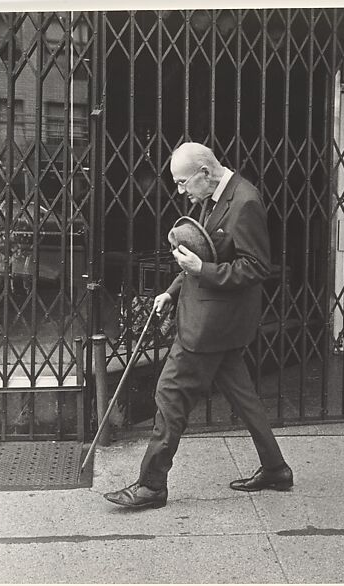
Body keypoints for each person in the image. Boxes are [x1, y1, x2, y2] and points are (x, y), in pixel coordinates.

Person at [104, 142, 293, 509]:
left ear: (205, 173)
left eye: (182, 182)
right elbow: (207, 253)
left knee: (170, 393)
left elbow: (255, 267)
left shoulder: (245, 202)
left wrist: (200, 271)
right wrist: (173, 291)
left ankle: (151, 485)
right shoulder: (216, 195)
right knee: (243, 396)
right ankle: (276, 468)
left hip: (211, 326)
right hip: (216, 319)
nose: (180, 191)